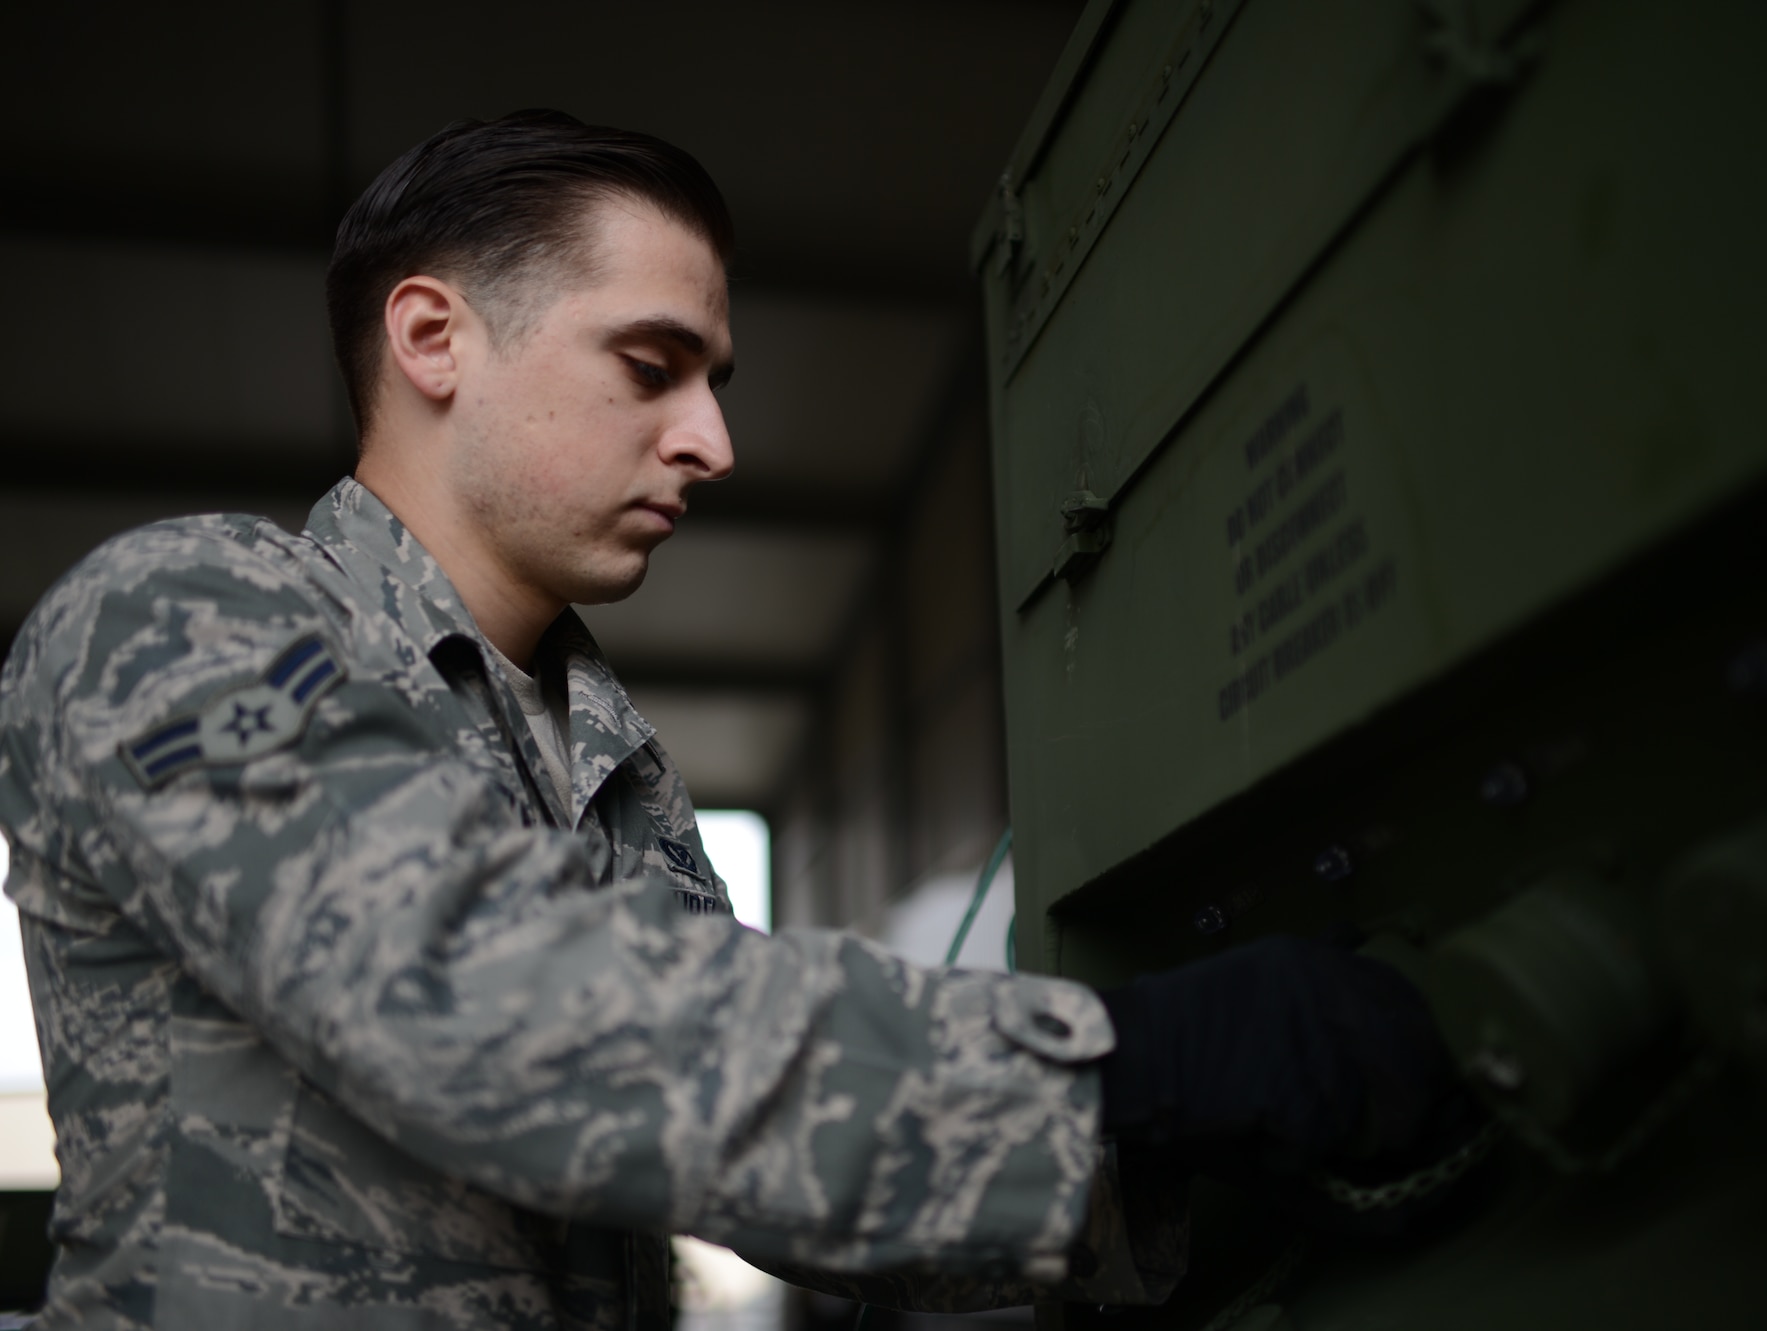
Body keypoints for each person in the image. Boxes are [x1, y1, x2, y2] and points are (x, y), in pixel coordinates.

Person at [0, 112, 1460, 1330]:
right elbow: (498, 1011)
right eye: (651, 368)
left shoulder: (615, 772)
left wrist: (1181, 1182)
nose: (714, 442)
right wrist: (1131, 1058)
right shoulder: (182, 613)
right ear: (435, 337)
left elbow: (763, 1153)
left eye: (715, 381)